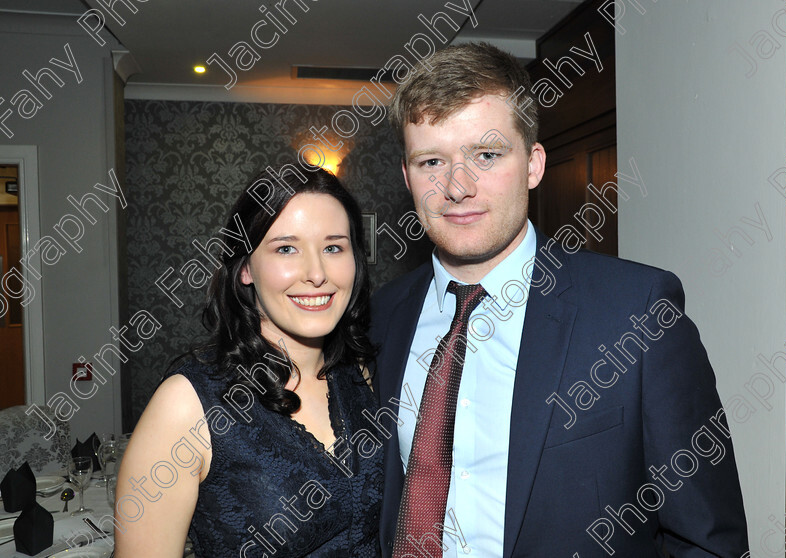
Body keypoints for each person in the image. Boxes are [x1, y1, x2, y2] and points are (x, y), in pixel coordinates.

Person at [369, 42, 749, 557]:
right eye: (432, 160)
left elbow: (707, 540)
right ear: (406, 176)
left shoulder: (636, 313)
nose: (457, 186)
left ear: (533, 164)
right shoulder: (381, 317)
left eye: (486, 155)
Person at [114, 165, 382, 557]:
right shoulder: (186, 405)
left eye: (333, 247)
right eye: (286, 248)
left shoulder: (361, 375)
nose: (317, 273)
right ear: (244, 269)